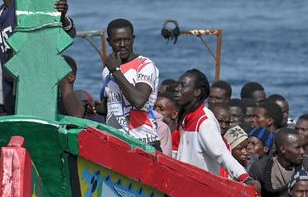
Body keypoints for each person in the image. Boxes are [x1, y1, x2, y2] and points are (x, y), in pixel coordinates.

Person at [174, 69, 252, 183]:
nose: (177, 89)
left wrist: (244, 177)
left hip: (200, 190)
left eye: (183, 85)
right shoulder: (187, 117)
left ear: (196, 92)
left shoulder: (205, 121)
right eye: (177, 85)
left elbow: (221, 153)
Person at [98, 18, 159, 146]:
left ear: (133, 39)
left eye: (126, 39)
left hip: (144, 143)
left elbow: (139, 101)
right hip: (117, 143)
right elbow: (110, 105)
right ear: (109, 42)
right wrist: (90, 107)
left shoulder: (145, 65)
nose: (122, 44)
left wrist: (115, 70)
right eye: (117, 40)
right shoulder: (106, 70)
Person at [250, 127, 308, 197]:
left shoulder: (307, 164)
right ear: (282, 149)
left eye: (302, 147)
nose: (302, 152)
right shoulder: (260, 168)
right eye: (298, 148)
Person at [154, 88, 180, 156]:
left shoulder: (180, 138)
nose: (155, 111)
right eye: (154, 107)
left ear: (174, 114)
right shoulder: (151, 128)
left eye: (161, 109)